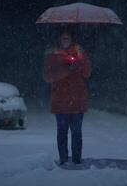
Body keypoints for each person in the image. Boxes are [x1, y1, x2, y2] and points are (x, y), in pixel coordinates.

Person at [42, 31, 91, 165]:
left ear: (72, 39)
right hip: (60, 101)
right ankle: (63, 159)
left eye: (68, 37)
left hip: (78, 101)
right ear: (59, 39)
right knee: (62, 132)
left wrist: (82, 58)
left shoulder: (79, 53)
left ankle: (76, 160)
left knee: (77, 133)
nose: (65, 40)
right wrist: (66, 70)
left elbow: (87, 73)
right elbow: (47, 77)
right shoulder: (52, 55)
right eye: (63, 37)